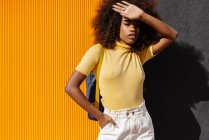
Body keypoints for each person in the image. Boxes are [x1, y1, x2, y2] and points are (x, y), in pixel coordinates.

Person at [65, 0, 178, 139]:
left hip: (141, 122)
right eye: (127, 23)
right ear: (115, 24)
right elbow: (71, 87)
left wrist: (142, 15)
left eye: (136, 25)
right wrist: (100, 116)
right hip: (114, 124)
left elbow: (172, 35)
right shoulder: (99, 52)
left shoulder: (139, 54)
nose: (132, 29)